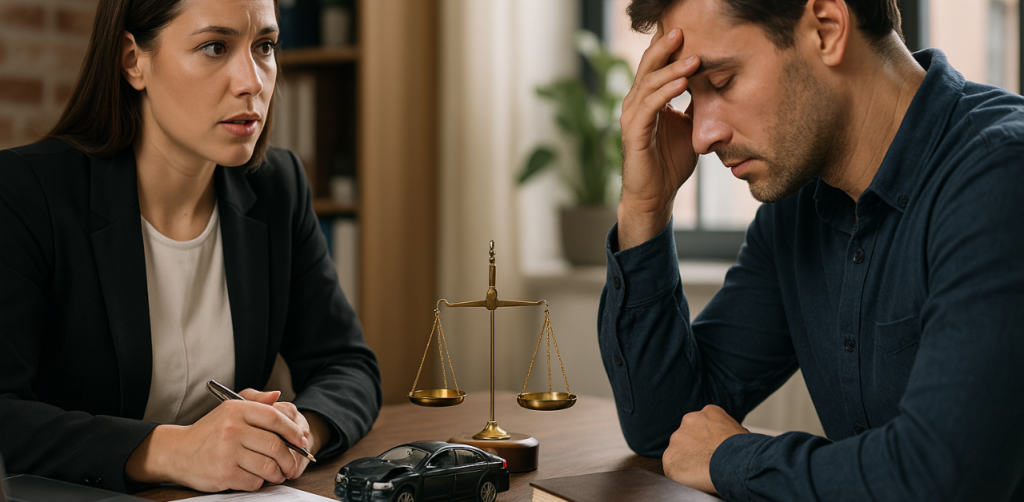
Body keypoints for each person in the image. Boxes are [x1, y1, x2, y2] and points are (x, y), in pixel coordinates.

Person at [600, 0, 1024, 499]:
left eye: (721, 82)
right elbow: (668, 429)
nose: (701, 136)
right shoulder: (796, 212)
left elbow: (940, 475)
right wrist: (644, 205)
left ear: (825, 28)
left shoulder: (1001, 175)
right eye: (692, 98)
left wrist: (732, 457)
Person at [0, 0, 380, 494]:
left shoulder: (276, 187)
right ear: (133, 60)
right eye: (214, 47)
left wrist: (290, 435)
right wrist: (173, 451)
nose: (252, 81)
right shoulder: (24, 193)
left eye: (265, 46)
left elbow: (347, 365)